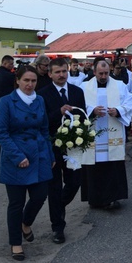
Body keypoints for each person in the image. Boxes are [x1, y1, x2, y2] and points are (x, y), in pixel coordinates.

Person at [0, 65, 55, 261]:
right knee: (16, 203)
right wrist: (17, 156)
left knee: (40, 196)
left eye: (34, 81)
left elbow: (45, 130)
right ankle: (16, 243)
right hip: (16, 157)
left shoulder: (40, 100)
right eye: (26, 80)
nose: (30, 84)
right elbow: (1, 133)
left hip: (39, 155)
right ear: (18, 81)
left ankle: (25, 223)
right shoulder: (6, 102)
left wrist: (51, 154)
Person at [40, 57, 87, 244]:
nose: (61, 75)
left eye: (64, 71)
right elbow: (42, 121)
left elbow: (82, 116)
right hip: (52, 146)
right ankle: (58, 227)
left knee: (75, 182)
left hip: (73, 145)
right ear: (50, 74)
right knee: (54, 187)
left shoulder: (77, 91)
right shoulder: (42, 94)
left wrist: (84, 134)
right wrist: (57, 112)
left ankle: (58, 205)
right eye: (57, 72)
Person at [80, 60, 132, 209]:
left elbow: (130, 102)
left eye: (106, 73)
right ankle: (95, 199)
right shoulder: (84, 87)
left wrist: (118, 111)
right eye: (100, 73)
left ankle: (113, 197)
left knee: (112, 166)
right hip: (93, 135)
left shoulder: (120, 86)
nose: (103, 76)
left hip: (112, 133)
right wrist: (91, 110)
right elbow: (78, 105)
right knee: (94, 168)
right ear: (94, 72)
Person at [0, 56, 17, 164]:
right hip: (8, 103)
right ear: (5, 63)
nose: (12, 66)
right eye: (10, 64)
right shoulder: (10, 76)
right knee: (8, 130)